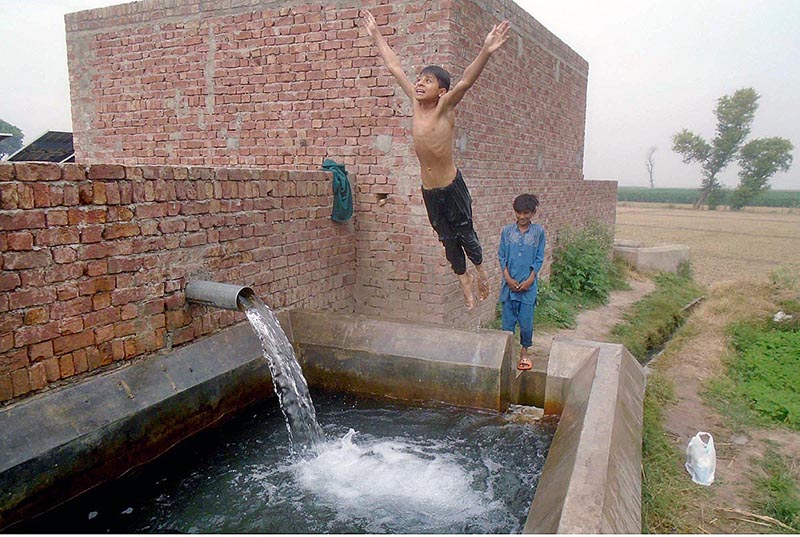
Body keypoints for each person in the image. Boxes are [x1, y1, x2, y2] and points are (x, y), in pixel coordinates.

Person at [361, 9, 510, 310]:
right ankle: (464, 280)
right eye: (419, 79)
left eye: (427, 81)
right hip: (430, 190)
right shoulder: (417, 106)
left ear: (441, 91)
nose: (418, 83)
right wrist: (376, 34)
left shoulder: (445, 108)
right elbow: (394, 67)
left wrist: (485, 51)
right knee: (447, 238)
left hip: (451, 186)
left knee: (465, 234)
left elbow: (466, 81)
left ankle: (481, 270)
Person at [498, 194, 545, 370]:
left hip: (528, 287)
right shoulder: (507, 232)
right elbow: (501, 256)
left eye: (526, 213)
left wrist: (530, 280)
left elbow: (539, 258)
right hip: (508, 287)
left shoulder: (538, 232)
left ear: (533, 213)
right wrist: (508, 278)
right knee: (507, 324)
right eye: (519, 212)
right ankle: (506, 355)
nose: (522, 217)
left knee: (526, 322)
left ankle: (524, 353)